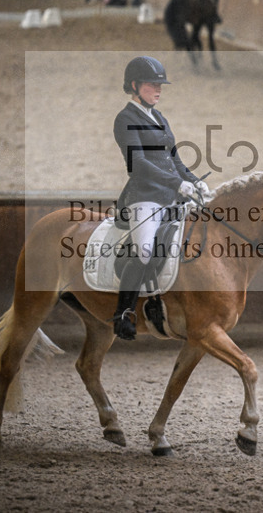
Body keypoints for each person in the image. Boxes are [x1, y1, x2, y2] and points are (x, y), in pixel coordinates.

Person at [111, 56, 208, 340]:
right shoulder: (125, 118)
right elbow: (138, 163)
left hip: (171, 197)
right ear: (134, 85)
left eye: (160, 85)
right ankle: (123, 314)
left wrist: (195, 183)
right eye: (153, 84)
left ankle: (158, 302)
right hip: (145, 198)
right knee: (143, 251)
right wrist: (177, 183)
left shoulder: (160, 117)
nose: (158, 89)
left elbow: (175, 160)